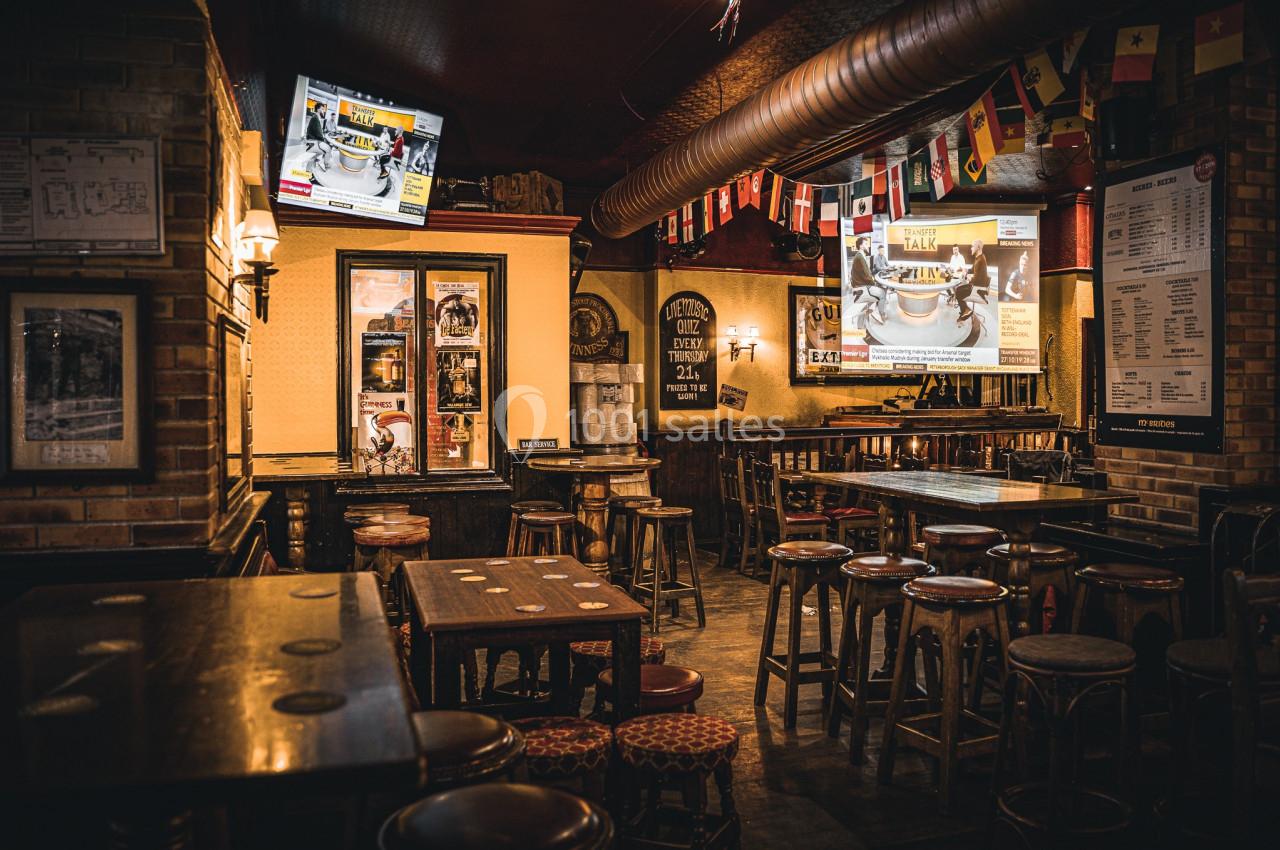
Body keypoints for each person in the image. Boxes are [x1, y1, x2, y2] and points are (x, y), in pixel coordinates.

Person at [848, 235, 886, 324]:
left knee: (879, 289)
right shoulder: (860, 257)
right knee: (882, 293)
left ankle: (874, 309)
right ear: (861, 246)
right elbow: (867, 276)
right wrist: (875, 283)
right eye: (865, 243)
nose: (867, 245)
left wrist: (874, 282)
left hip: (861, 285)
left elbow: (867, 274)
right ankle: (880, 314)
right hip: (861, 288)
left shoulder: (860, 256)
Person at [955, 239, 989, 322]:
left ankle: (966, 310)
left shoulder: (980, 260)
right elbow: (972, 270)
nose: (971, 248)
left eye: (972, 246)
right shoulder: (979, 258)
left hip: (977, 289)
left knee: (958, 290)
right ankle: (965, 310)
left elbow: (975, 280)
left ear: (978, 247)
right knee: (960, 288)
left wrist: (967, 277)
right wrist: (964, 270)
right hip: (978, 286)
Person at [304, 101, 331, 173]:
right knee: (328, 149)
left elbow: (318, 131)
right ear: (318, 109)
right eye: (322, 109)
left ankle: (311, 168)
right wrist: (324, 139)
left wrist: (323, 137)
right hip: (313, 141)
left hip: (313, 140)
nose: (323, 111)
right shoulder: (315, 118)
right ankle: (326, 166)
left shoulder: (316, 117)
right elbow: (319, 134)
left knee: (325, 148)